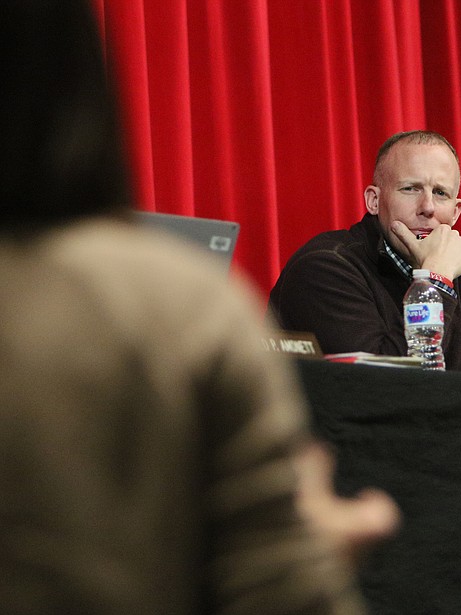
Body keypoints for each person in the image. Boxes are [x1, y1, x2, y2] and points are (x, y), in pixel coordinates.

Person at [0, 1, 398, 613]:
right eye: (416, 188)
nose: (431, 207)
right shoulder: (184, 308)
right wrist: (306, 554)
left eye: (445, 193)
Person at [269, 130, 461, 370]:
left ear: (455, 212)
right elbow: (387, 388)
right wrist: (435, 280)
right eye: (411, 188)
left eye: (440, 193)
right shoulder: (324, 267)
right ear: (374, 201)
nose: (427, 207)